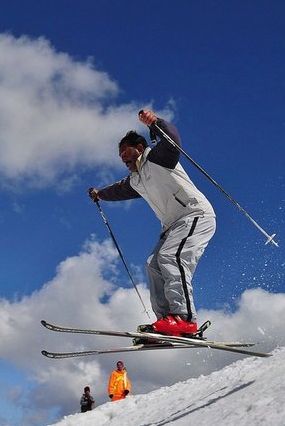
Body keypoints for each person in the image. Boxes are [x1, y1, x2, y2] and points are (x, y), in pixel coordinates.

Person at [89, 109, 216, 336]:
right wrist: (100, 194)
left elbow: (173, 139)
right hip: (173, 225)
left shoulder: (159, 158)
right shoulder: (136, 180)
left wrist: (155, 122)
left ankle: (184, 319)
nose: (122, 158)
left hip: (195, 214)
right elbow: (118, 190)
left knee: (171, 256)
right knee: (153, 264)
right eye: (119, 156)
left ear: (139, 148)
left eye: (125, 151)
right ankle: (167, 322)